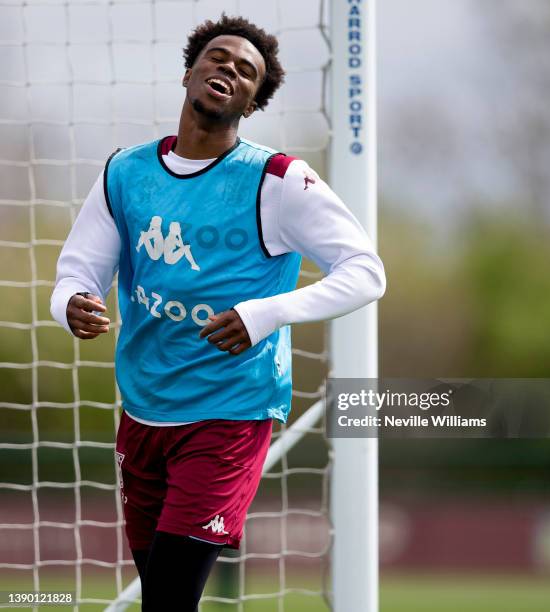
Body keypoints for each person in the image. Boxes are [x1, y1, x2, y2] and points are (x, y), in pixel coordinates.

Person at [50, 14, 385, 611]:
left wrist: (266, 314)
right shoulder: (125, 172)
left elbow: (366, 272)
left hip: (229, 417)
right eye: (218, 57)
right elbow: (78, 273)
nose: (228, 68)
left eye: (246, 71)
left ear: (253, 104)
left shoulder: (278, 180)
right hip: (144, 414)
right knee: (163, 597)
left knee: (172, 597)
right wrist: (70, 303)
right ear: (189, 72)